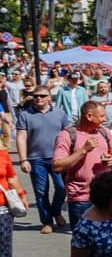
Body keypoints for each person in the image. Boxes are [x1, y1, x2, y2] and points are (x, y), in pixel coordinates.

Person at [51, 101, 112, 227]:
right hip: (81, 198)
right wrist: (83, 150)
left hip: (106, 195)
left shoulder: (104, 132)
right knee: (83, 242)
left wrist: (111, 160)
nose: (105, 119)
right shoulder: (67, 135)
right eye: (101, 116)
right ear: (89, 116)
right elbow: (57, 166)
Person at [15, 85, 69, 233]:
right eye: (36, 95)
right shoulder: (25, 115)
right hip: (35, 159)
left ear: (49, 97)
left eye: (42, 96)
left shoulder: (60, 113)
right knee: (40, 193)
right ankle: (46, 221)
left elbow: (68, 135)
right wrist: (23, 159)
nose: (38, 98)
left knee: (61, 187)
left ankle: (56, 211)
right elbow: (21, 138)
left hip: (58, 158)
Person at [0, 145, 28, 257]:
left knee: (4, 245)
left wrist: (22, 194)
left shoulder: (2, 154)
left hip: (2, 209)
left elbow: (11, 176)